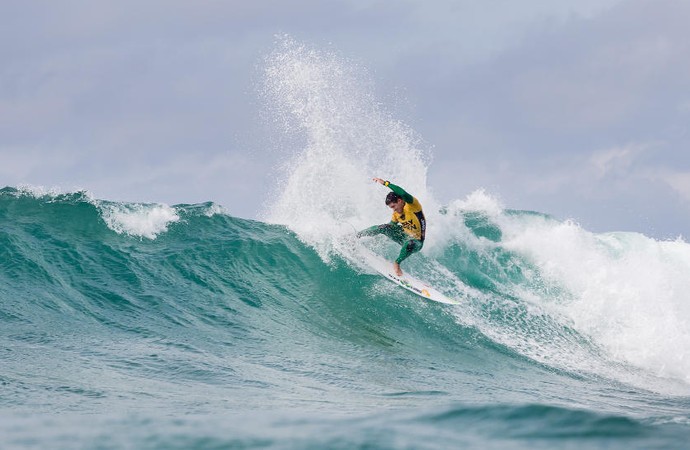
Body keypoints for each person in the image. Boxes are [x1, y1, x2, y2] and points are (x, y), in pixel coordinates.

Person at [357, 177, 426, 276]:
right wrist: (380, 233)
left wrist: (385, 183)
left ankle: (397, 263)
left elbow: (402, 193)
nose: (393, 210)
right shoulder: (396, 214)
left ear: (400, 201)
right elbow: (390, 227)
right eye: (391, 208)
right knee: (383, 227)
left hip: (417, 242)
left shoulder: (413, 206)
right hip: (403, 237)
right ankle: (356, 236)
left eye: (393, 206)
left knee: (410, 243)